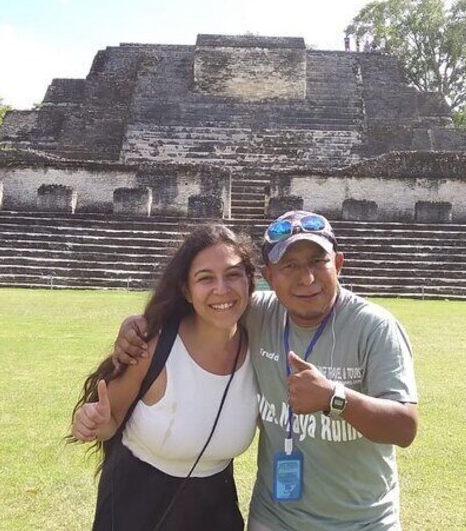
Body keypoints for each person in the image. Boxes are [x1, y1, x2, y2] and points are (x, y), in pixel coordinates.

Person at [115, 211, 419, 530]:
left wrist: (334, 398)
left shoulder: (374, 327)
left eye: (318, 261)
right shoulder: (258, 313)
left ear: (338, 264)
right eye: (290, 266)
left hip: (361, 521)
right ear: (269, 277)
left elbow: (405, 428)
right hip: (274, 518)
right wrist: (140, 324)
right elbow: (209, 305)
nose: (307, 279)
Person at [70, 224, 260, 530]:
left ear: (251, 281)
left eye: (233, 274)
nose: (222, 289)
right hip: (137, 501)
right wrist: (94, 421)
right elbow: (110, 421)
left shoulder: (263, 347)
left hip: (216, 504)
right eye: (205, 278)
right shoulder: (153, 347)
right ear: (186, 289)